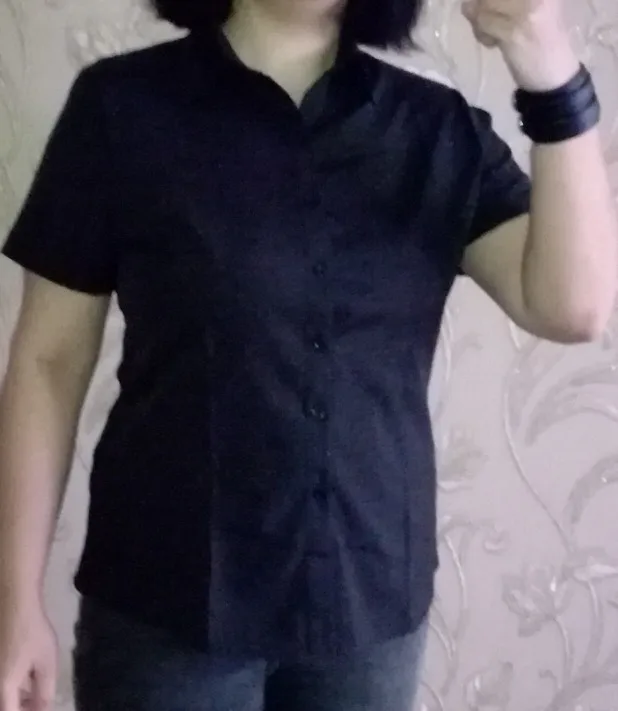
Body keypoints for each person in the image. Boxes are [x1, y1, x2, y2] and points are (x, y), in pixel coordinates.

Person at [0, 0, 616, 709]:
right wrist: (15, 599)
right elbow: (47, 363)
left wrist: (548, 68)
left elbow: (573, 308)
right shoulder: (121, 108)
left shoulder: (434, 129)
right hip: (165, 601)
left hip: (367, 610)